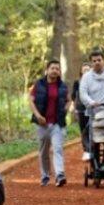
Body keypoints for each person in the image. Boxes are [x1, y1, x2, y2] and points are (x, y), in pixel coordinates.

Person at [29, 59, 71, 187]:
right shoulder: (38, 84)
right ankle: (45, 176)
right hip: (42, 124)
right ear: (47, 70)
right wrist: (38, 116)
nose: (55, 71)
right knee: (44, 151)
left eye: (57, 69)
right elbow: (31, 101)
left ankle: (60, 175)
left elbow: (69, 100)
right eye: (52, 68)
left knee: (58, 148)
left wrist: (65, 110)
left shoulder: (63, 86)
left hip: (57, 123)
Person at [71, 62, 92, 161]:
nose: (86, 71)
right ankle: (86, 150)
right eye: (84, 70)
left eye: (88, 69)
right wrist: (73, 106)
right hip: (80, 109)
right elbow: (73, 96)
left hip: (92, 110)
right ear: (81, 71)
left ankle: (92, 149)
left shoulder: (94, 81)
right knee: (83, 130)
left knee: (91, 129)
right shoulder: (77, 82)